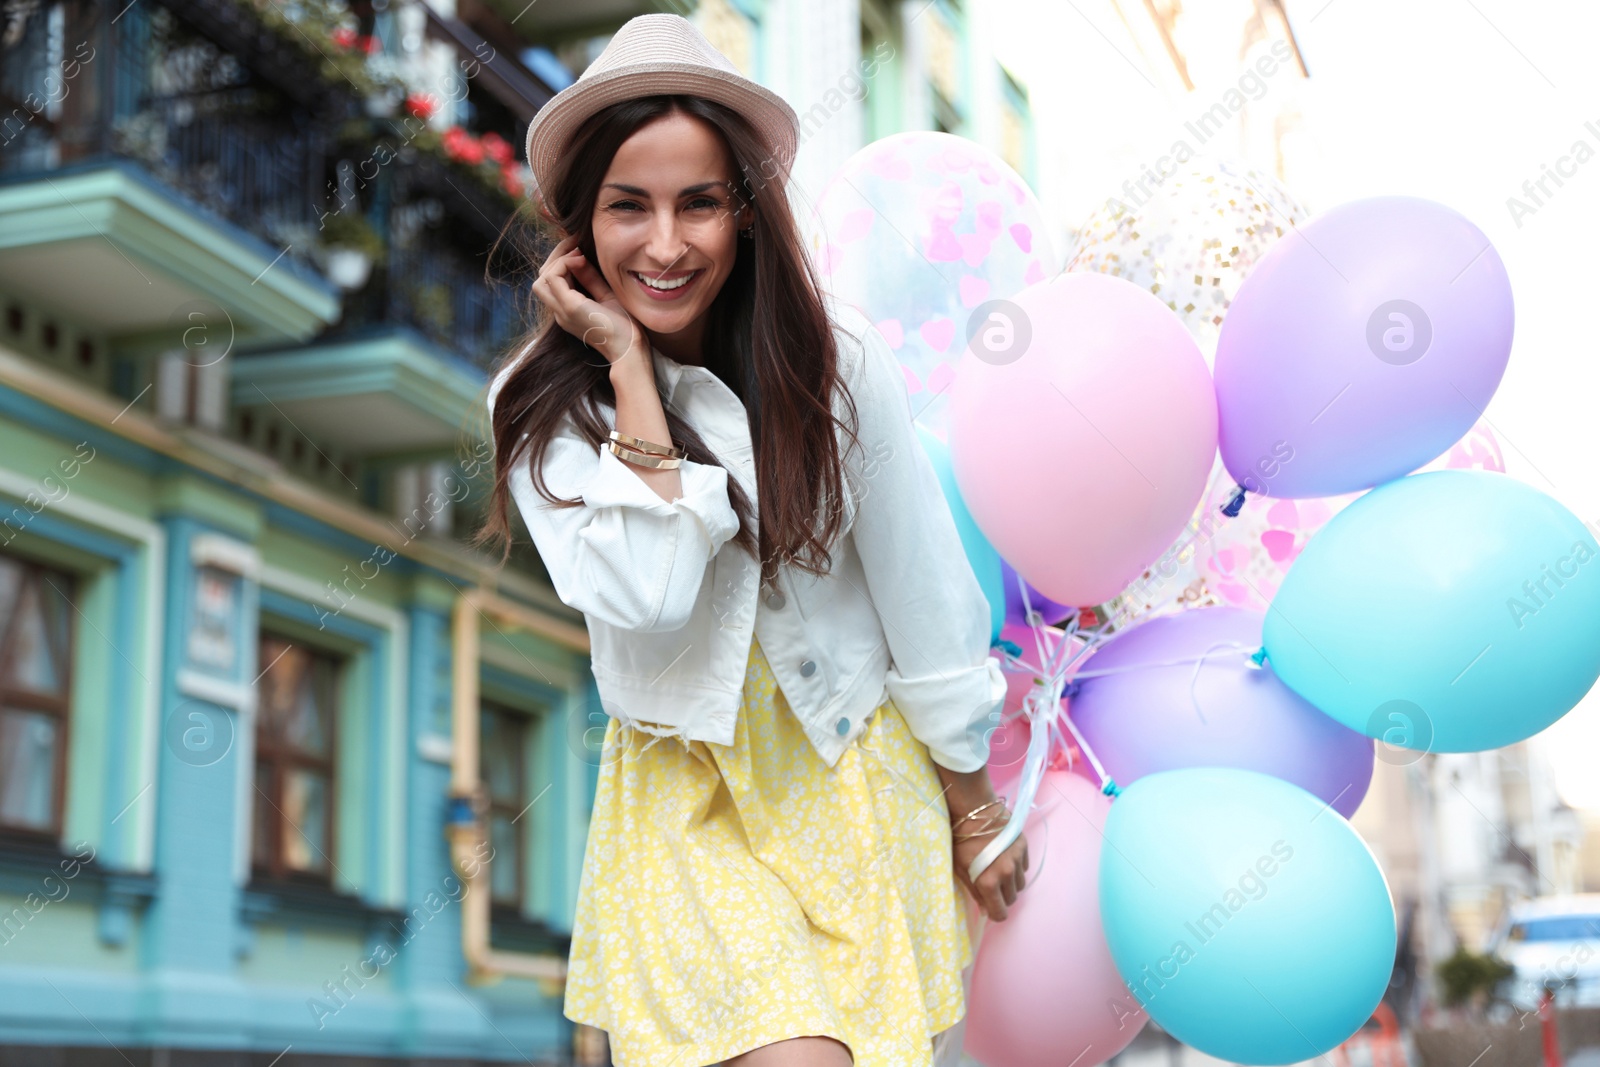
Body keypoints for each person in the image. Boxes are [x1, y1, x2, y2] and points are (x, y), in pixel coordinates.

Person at [479, 14, 1030, 1067]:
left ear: (744, 213)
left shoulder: (831, 363)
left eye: (700, 203)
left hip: (849, 774)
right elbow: (646, 592)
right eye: (627, 207)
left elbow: (920, 586)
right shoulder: (541, 413)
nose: (667, 243)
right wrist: (629, 371)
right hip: (687, 799)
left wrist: (970, 801)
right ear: (576, 228)